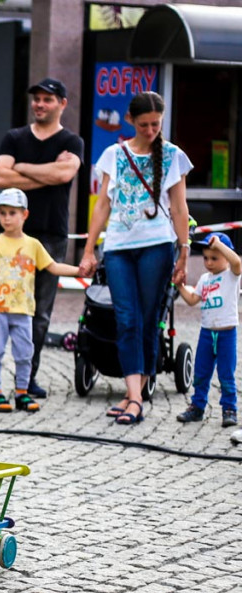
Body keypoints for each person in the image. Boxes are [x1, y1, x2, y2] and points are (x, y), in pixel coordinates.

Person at [0, 78, 83, 401]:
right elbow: (0, 177)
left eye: (48, 99)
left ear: (62, 104)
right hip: (7, 235)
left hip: (50, 233)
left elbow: (64, 175)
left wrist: (23, 171)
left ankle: (28, 380)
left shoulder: (72, 141)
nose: (40, 104)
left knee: (38, 311)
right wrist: (46, 171)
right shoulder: (14, 137)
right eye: (37, 99)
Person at [78, 91, 192, 426]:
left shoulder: (173, 155)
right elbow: (102, 204)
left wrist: (184, 252)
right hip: (117, 248)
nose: (151, 129)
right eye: (144, 124)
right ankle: (134, 395)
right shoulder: (114, 154)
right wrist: (89, 248)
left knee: (148, 319)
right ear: (130, 121)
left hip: (157, 246)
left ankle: (135, 397)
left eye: (156, 123)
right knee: (125, 320)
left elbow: (179, 208)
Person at [0, 189, 81, 412]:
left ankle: (22, 393)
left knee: (25, 354)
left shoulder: (33, 245)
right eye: (3, 213)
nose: (7, 218)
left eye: (12, 213)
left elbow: (53, 266)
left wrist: (79, 270)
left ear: (24, 215)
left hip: (24, 310)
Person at [175, 234, 240, 427]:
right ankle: (197, 407)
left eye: (214, 258)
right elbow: (192, 300)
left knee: (226, 374)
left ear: (225, 257)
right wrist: (180, 286)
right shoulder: (204, 279)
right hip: (206, 333)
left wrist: (219, 245)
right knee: (201, 372)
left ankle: (229, 409)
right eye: (206, 258)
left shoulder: (232, 275)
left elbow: (236, 261)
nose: (209, 263)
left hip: (226, 333)